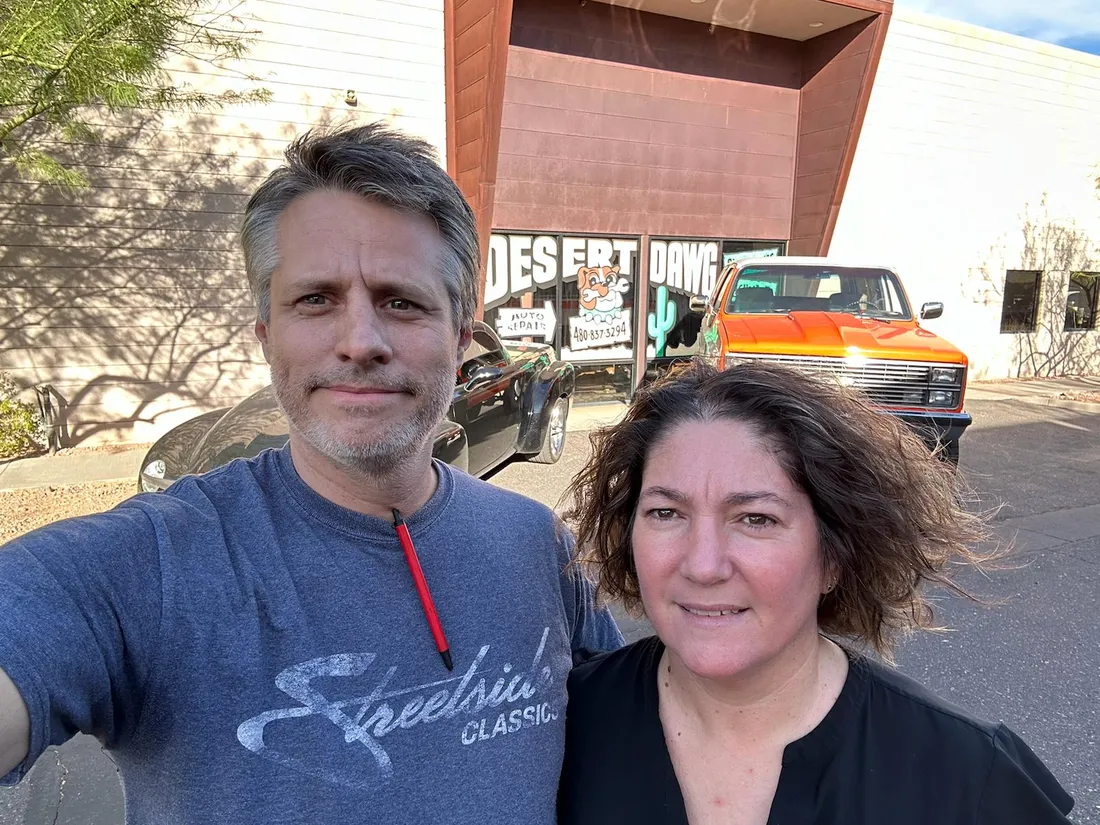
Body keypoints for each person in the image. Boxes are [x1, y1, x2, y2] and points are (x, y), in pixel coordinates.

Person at [0, 122, 622, 823]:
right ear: (267, 332)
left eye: (401, 300)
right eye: (315, 299)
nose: (360, 341)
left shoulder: (535, 543)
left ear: (459, 335)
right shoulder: (150, 568)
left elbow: (648, 732)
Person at [558, 359, 1074, 825]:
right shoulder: (555, 727)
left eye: (756, 518)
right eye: (666, 513)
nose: (704, 565)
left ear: (834, 554)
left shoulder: (965, 778)